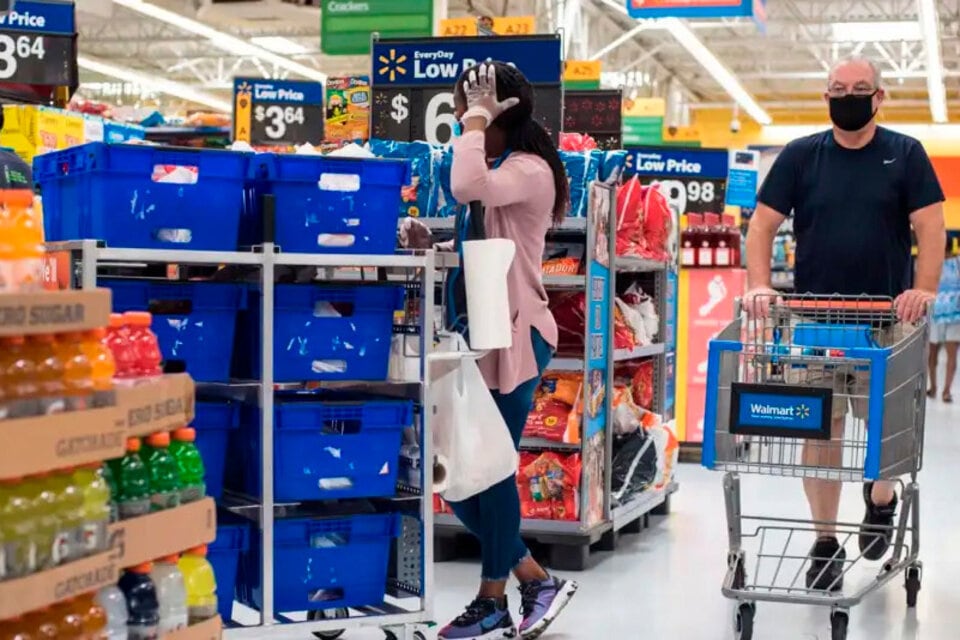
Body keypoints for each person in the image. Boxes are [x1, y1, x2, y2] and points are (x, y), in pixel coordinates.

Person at [744, 56, 945, 592]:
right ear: (826, 96)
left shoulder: (905, 154)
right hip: (817, 320)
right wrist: (760, 284)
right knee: (822, 432)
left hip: (888, 318)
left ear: (879, 97)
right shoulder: (801, 156)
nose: (847, 96)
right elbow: (762, 225)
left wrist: (923, 289)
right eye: (838, 88)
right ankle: (825, 541)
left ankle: (880, 498)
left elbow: (930, 226)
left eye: (859, 88)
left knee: (888, 431)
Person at [400, 62, 577, 639]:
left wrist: (476, 118)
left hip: (517, 337)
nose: (458, 116)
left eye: (467, 107)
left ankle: (493, 597)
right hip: (481, 335)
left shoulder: (528, 170)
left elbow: (465, 186)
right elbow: (486, 232)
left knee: (491, 471)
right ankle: (532, 577)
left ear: (501, 113)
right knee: (465, 475)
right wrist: (440, 241)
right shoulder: (505, 169)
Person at [928, 237, 960, 402]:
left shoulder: (957, 263)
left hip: (953, 316)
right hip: (936, 314)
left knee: (949, 354)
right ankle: (934, 387)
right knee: (933, 354)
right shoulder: (931, 263)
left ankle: (945, 390)